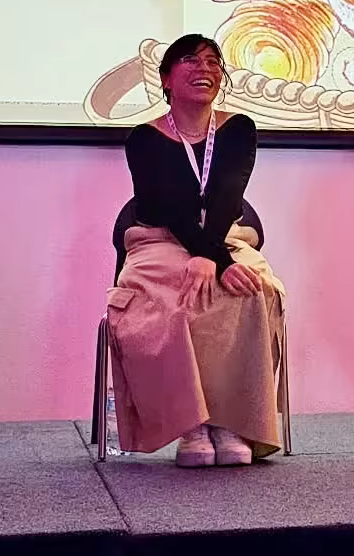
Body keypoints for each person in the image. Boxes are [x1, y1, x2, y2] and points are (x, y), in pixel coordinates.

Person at [110, 34, 285, 466]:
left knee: (253, 288)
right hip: (158, 239)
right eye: (190, 60)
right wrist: (211, 261)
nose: (204, 68)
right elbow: (170, 207)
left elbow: (228, 194)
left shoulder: (237, 129)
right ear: (166, 78)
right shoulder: (144, 138)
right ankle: (191, 425)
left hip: (225, 236)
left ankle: (233, 422)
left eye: (213, 61)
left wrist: (215, 259)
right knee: (170, 296)